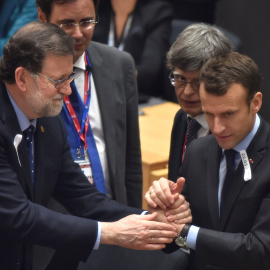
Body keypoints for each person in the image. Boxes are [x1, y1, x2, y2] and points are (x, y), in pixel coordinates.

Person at [0, 21, 192, 270]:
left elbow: (83, 197)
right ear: (22, 78)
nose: (68, 90)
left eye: (70, 77)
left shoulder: (50, 122)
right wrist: (110, 232)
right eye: (58, 80)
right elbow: (18, 215)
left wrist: (149, 219)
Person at [146, 52, 270, 270]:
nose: (217, 128)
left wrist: (185, 232)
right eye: (209, 114)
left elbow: (261, 251)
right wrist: (164, 220)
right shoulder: (198, 151)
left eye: (228, 114)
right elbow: (176, 244)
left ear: (256, 103)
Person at [36, 0, 142, 208]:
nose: (77, 34)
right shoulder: (26, 77)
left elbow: (131, 161)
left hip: (116, 219)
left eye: (86, 22)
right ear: (42, 18)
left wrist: (134, 216)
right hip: (55, 227)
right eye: (66, 24)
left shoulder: (120, 65)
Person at [167, 23, 233, 182]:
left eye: (198, 82)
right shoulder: (182, 118)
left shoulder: (232, 131)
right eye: (181, 78)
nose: (187, 92)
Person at [92, 0, 173, 101]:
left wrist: (108, 77)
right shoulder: (95, 7)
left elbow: (149, 71)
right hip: (95, 93)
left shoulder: (158, 11)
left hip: (139, 96)